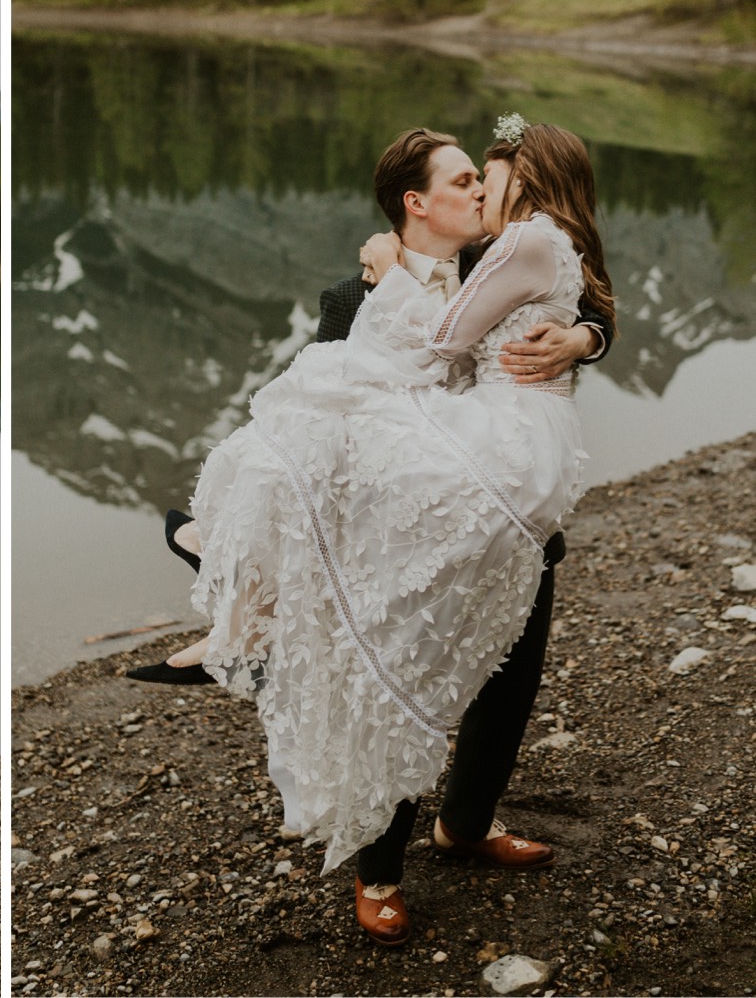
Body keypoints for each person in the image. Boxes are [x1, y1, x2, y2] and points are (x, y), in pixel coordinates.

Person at [135, 117, 615, 945]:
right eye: (461, 180)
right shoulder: (351, 296)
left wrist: (584, 336)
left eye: (481, 177)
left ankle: (465, 826)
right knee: (399, 676)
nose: (477, 189)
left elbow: (590, 297)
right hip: (404, 548)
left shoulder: (503, 252)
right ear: (414, 202)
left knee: (508, 693)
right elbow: (334, 426)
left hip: (513, 528)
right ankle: (378, 871)